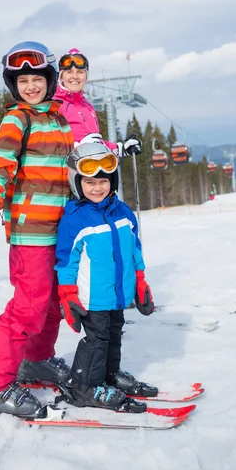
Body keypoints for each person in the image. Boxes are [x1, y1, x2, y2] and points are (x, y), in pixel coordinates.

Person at [0, 41, 73, 418]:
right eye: (22, 80)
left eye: (37, 78)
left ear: (49, 79)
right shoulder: (17, 118)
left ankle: (37, 359)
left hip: (61, 228)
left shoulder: (57, 119)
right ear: (14, 86)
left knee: (53, 303)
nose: (31, 86)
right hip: (31, 232)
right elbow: (1, 166)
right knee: (27, 307)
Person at [55, 142, 157, 411]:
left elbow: (134, 249)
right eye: (89, 182)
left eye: (103, 181)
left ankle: (108, 377)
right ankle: (85, 387)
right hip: (92, 297)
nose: (97, 188)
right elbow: (65, 262)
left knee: (114, 334)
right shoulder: (75, 219)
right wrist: (67, 295)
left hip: (119, 294)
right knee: (97, 339)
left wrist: (140, 282)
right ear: (77, 183)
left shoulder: (122, 211)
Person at [54, 48, 141, 156]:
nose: (75, 77)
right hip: (67, 170)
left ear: (86, 77)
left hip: (92, 169)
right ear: (61, 77)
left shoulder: (87, 107)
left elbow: (95, 142)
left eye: (80, 72)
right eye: (69, 72)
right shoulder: (54, 104)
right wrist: (78, 146)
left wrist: (120, 148)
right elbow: (45, 144)